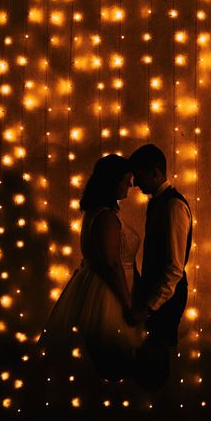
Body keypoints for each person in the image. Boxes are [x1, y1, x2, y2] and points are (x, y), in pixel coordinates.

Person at [38, 154, 145, 381]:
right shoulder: (105, 217)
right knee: (112, 360)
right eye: (126, 180)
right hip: (110, 293)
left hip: (103, 287)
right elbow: (112, 264)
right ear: (112, 181)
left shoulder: (98, 213)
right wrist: (127, 305)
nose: (131, 184)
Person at [126, 144, 193, 390]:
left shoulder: (174, 206)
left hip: (166, 297)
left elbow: (174, 267)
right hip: (158, 295)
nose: (134, 183)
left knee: (154, 362)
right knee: (147, 359)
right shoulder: (158, 203)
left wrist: (150, 305)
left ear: (155, 172)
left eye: (138, 175)